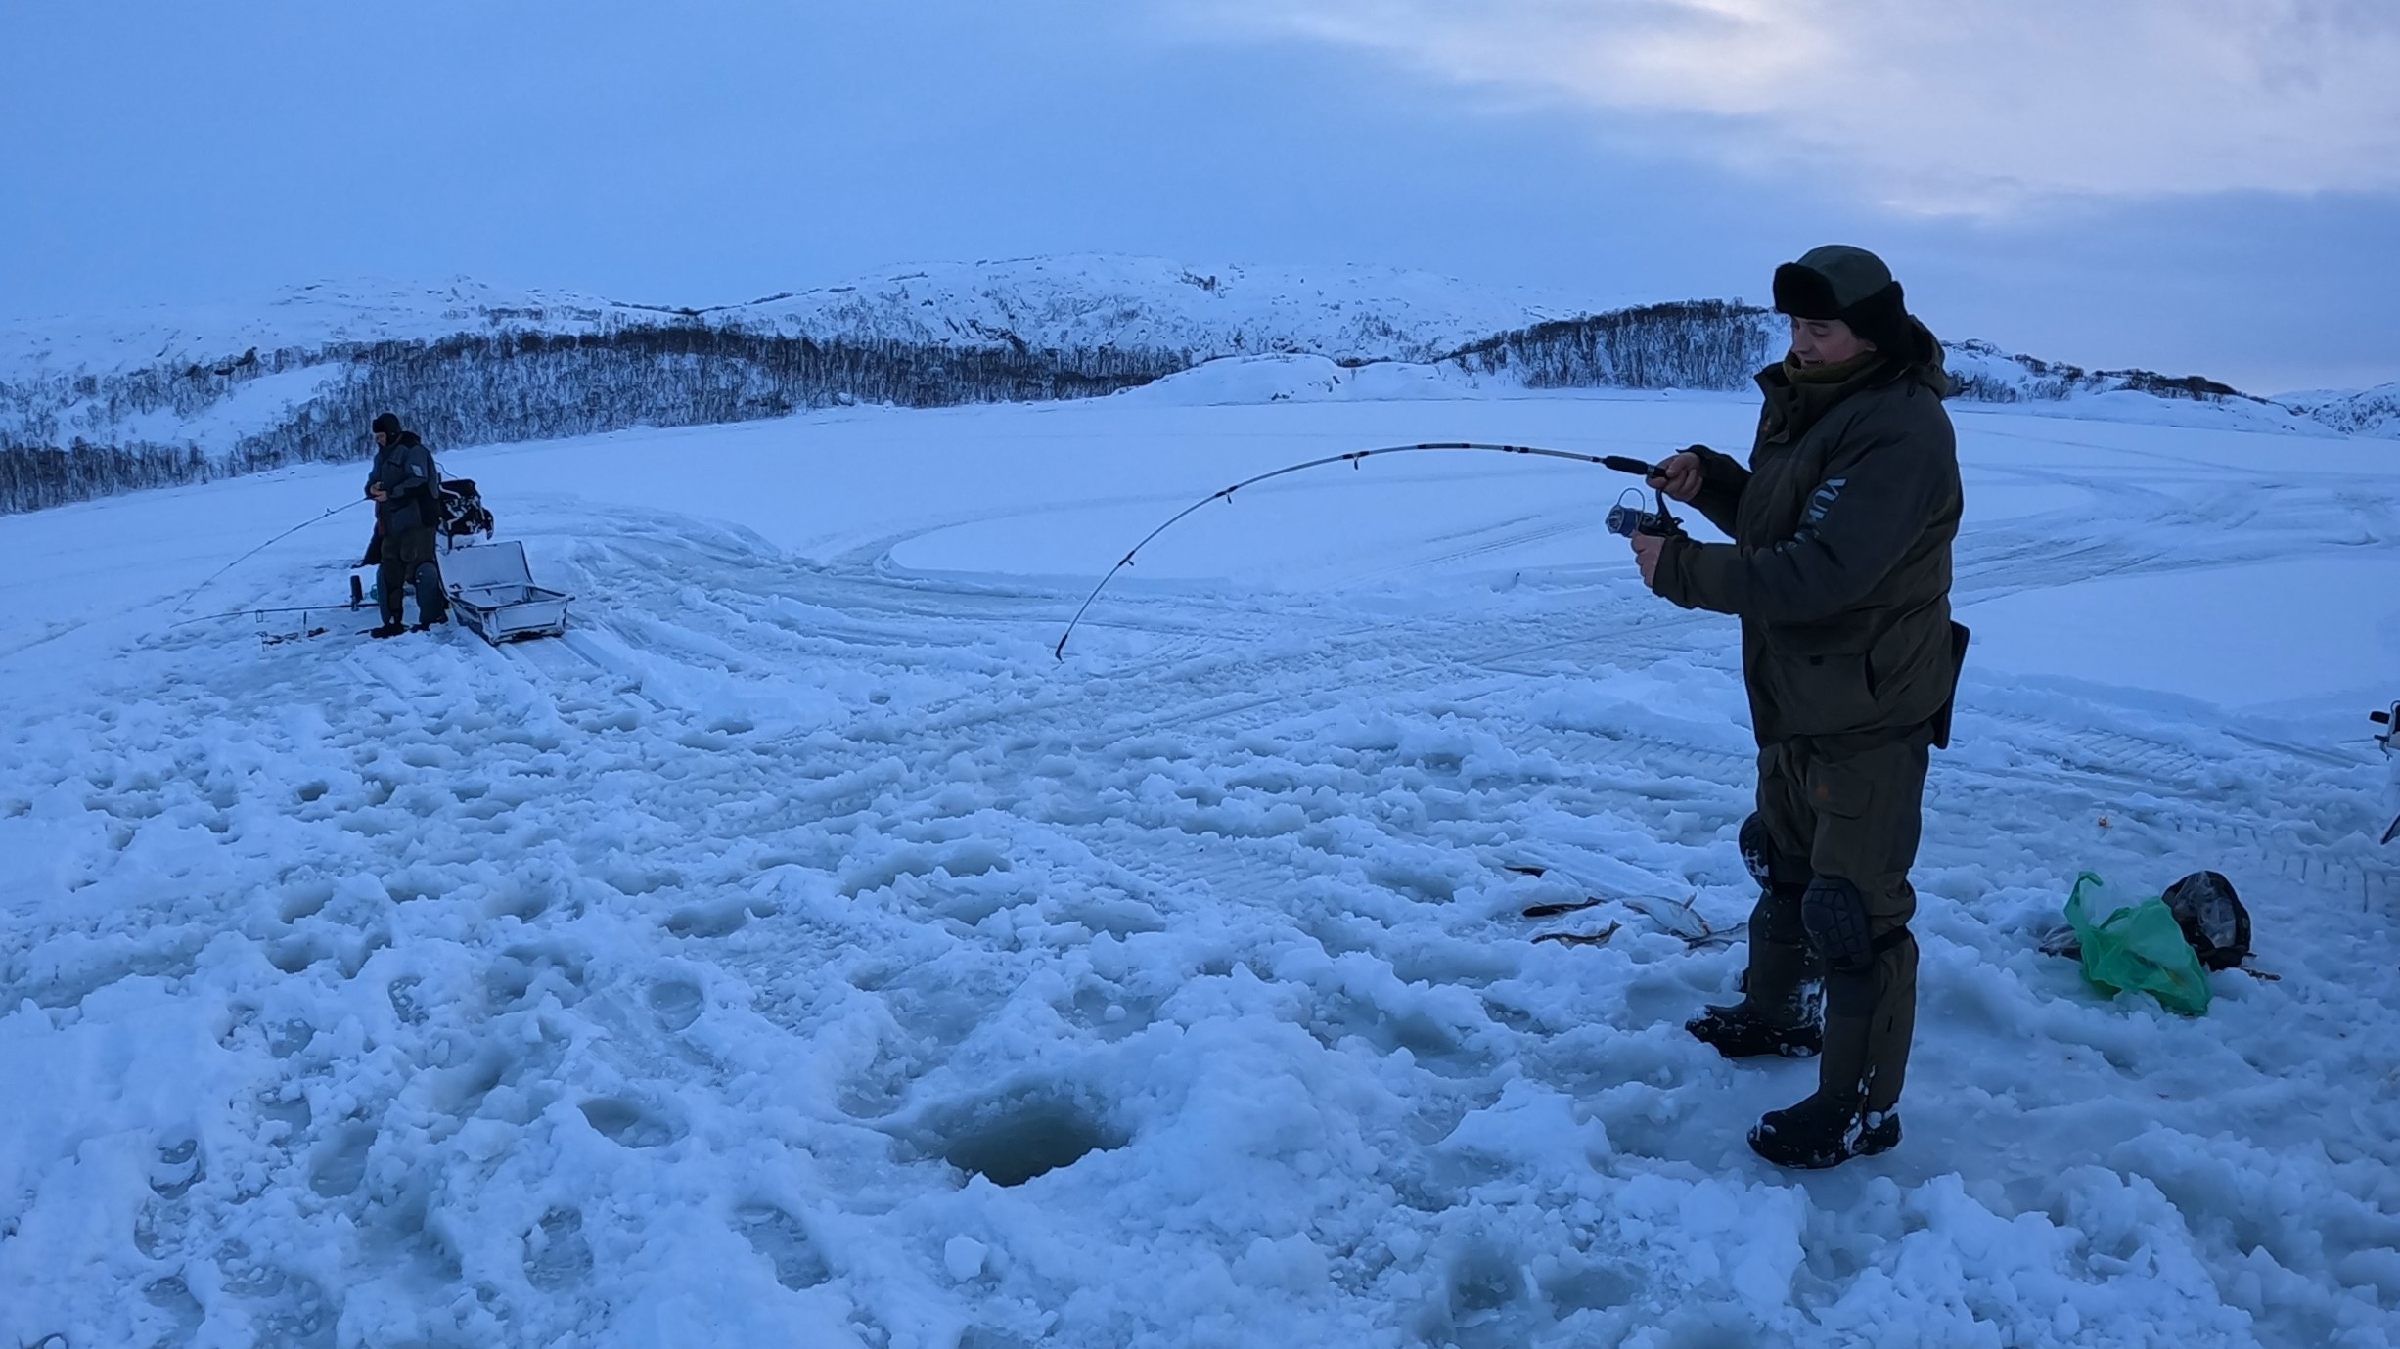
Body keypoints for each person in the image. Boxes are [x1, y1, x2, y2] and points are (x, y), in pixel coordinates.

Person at [1629, 245, 1967, 1169]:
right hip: (1795, 693)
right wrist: (1714, 482)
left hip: (1866, 703)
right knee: (1784, 861)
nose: (1802, 343)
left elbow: (1825, 572)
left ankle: (1860, 1108)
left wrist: (1684, 571)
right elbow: (1788, 528)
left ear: (1873, 332)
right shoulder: (1804, 403)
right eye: (1793, 326)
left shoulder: (1903, 430)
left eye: (1821, 328)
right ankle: (1777, 1013)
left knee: (1853, 909)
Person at [364, 412, 449, 638]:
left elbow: (419, 483)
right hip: (390, 524)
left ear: (391, 432)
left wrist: (391, 494)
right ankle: (392, 621)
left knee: (420, 568)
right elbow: (372, 479)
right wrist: (371, 490)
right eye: (376, 436)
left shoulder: (415, 451)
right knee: (389, 570)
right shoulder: (381, 457)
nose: (378, 440)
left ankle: (433, 617)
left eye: (381, 435)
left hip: (418, 522)